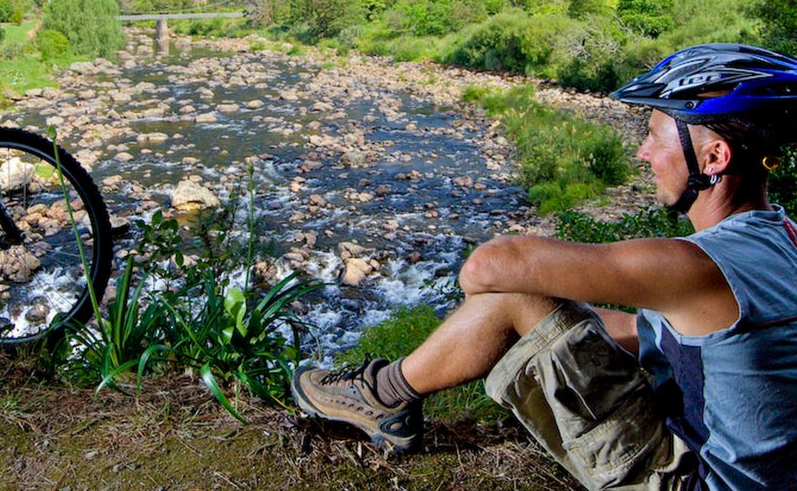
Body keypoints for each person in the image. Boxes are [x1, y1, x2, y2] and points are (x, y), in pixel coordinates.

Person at [292, 43, 797, 490]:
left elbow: (490, 266)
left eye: (655, 135)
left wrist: (520, 311)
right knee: (535, 304)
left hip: (696, 479)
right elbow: (652, 334)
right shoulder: (781, 238)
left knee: (512, 292)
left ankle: (382, 396)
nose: (643, 153)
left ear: (713, 158)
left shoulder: (696, 266)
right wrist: (559, 318)